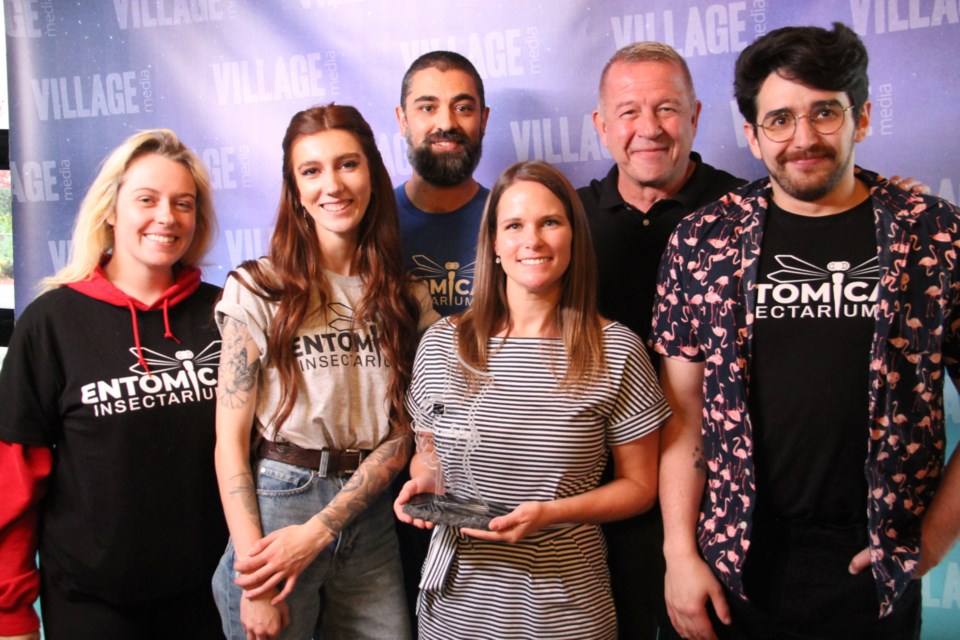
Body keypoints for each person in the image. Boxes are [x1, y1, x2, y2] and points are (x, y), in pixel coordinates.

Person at [652, 23, 960, 640]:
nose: (804, 138)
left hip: (873, 562)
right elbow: (684, 414)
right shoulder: (702, 242)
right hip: (733, 559)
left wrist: (929, 541)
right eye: (780, 119)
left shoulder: (934, 236)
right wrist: (680, 554)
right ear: (752, 134)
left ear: (862, 117)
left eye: (825, 112)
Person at [394, 160, 670, 639]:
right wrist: (424, 485)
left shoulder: (617, 349)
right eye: (515, 225)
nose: (533, 240)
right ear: (494, 242)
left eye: (550, 222)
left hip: (567, 612)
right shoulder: (441, 344)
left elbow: (641, 488)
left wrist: (553, 514)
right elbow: (430, 460)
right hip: (454, 611)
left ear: (573, 236)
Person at [211, 103, 438, 640]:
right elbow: (228, 443)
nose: (332, 185)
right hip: (276, 509)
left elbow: (406, 432)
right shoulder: (258, 288)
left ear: (373, 174)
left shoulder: (409, 298)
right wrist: (256, 582)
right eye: (311, 171)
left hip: (369, 516)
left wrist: (322, 530)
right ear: (294, 189)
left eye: (347, 164)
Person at [0, 129, 227, 639]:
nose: (166, 216)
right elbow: (15, 476)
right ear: (111, 210)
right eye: (146, 199)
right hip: (92, 603)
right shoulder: (50, 323)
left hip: (210, 599)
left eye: (182, 203)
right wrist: (10, 613)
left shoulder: (227, 311)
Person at [579, 41, 745, 640]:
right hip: (596, 502)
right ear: (601, 126)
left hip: (716, 505)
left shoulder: (748, 213)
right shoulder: (566, 225)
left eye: (667, 109)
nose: (647, 128)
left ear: (696, 116)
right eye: (628, 112)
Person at [395, 50, 490, 317]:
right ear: (402, 120)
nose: (446, 122)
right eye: (428, 108)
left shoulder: (510, 221)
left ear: (483, 119)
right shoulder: (370, 223)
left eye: (463, 108)